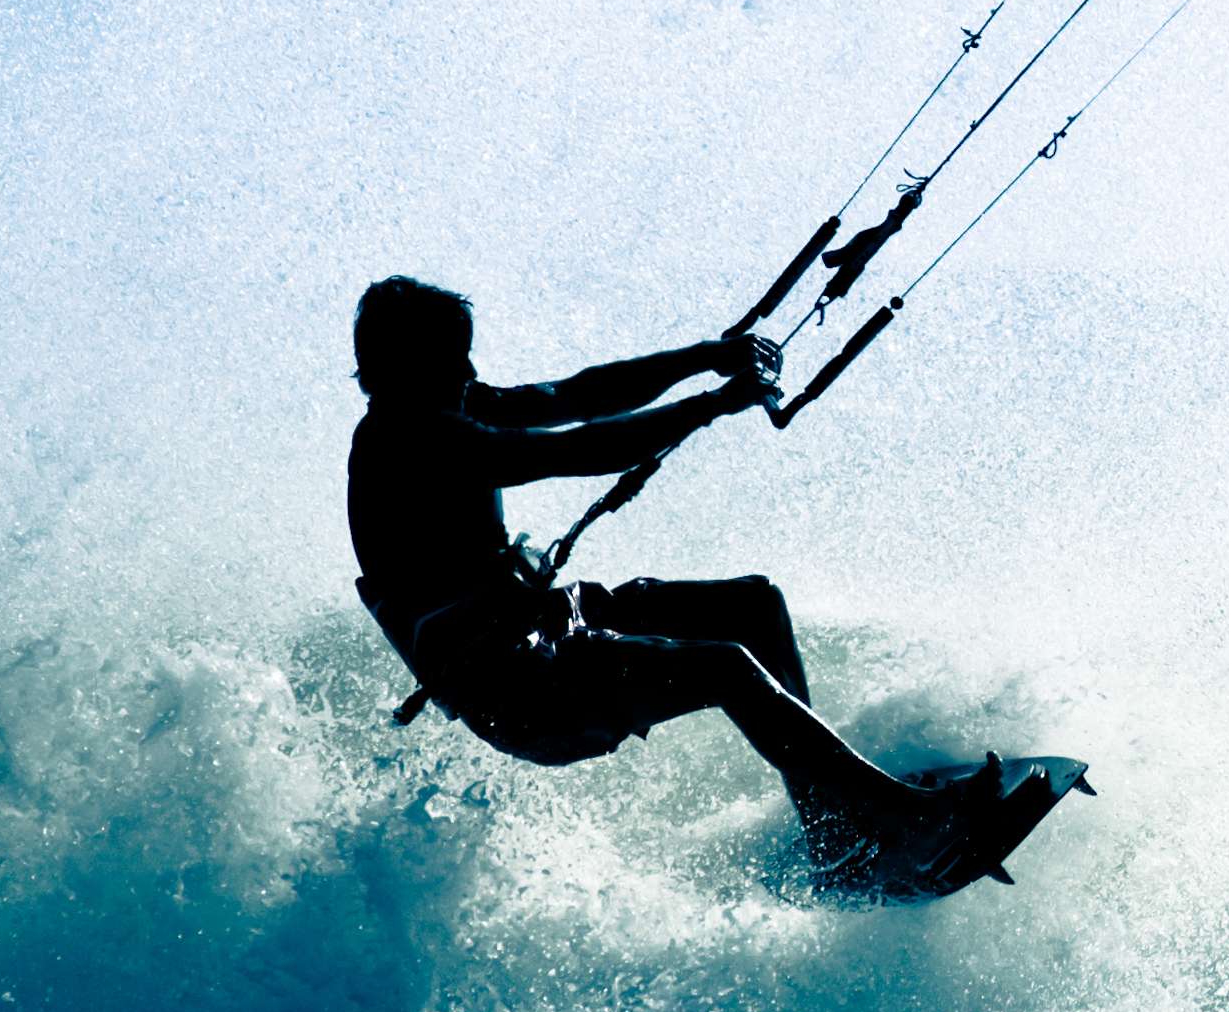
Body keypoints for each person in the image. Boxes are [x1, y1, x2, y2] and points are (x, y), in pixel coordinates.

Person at [343, 275, 867, 798]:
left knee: (753, 606)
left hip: (546, 636)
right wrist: (710, 404)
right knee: (725, 667)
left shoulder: (450, 407)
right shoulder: (408, 440)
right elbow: (580, 451)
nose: (470, 370)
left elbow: (579, 395)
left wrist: (705, 356)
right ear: (408, 364)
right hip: (522, 695)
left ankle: (834, 822)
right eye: (454, 357)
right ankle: (874, 818)